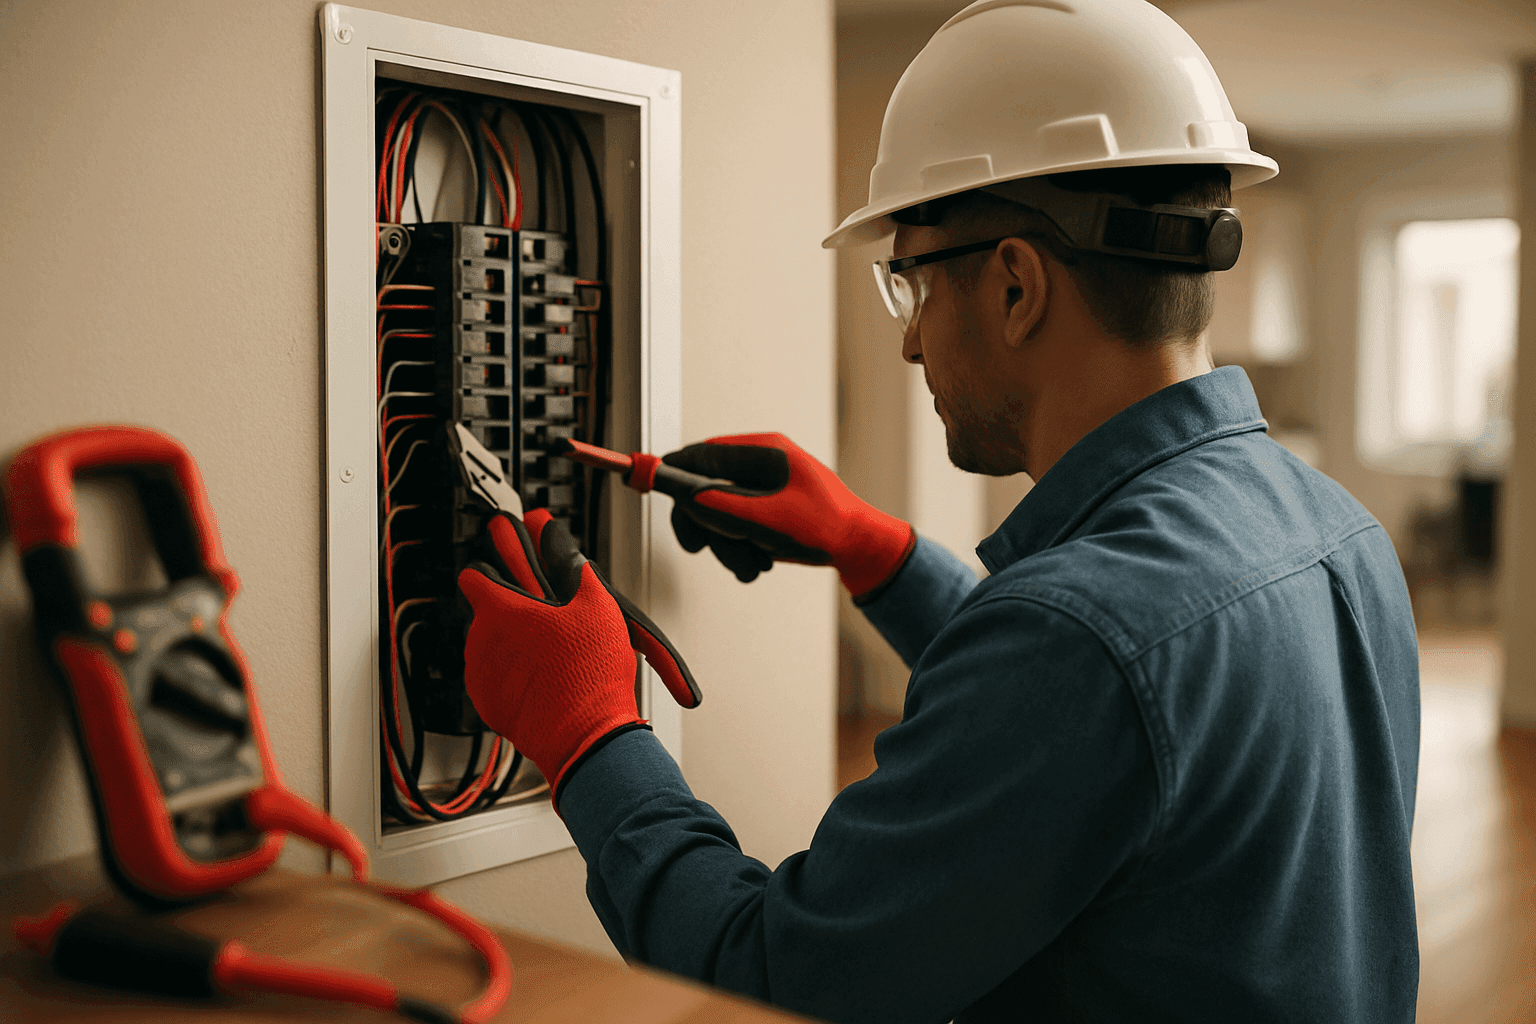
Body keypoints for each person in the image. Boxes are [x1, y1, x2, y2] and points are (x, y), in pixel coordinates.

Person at [455, 1, 1421, 1020]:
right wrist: (874, 549)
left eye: (909, 282)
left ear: (1015, 286)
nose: (911, 345)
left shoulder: (1081, 639)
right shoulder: (1339, 532)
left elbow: (773, 976)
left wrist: (591, 732)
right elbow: (1124, 726)